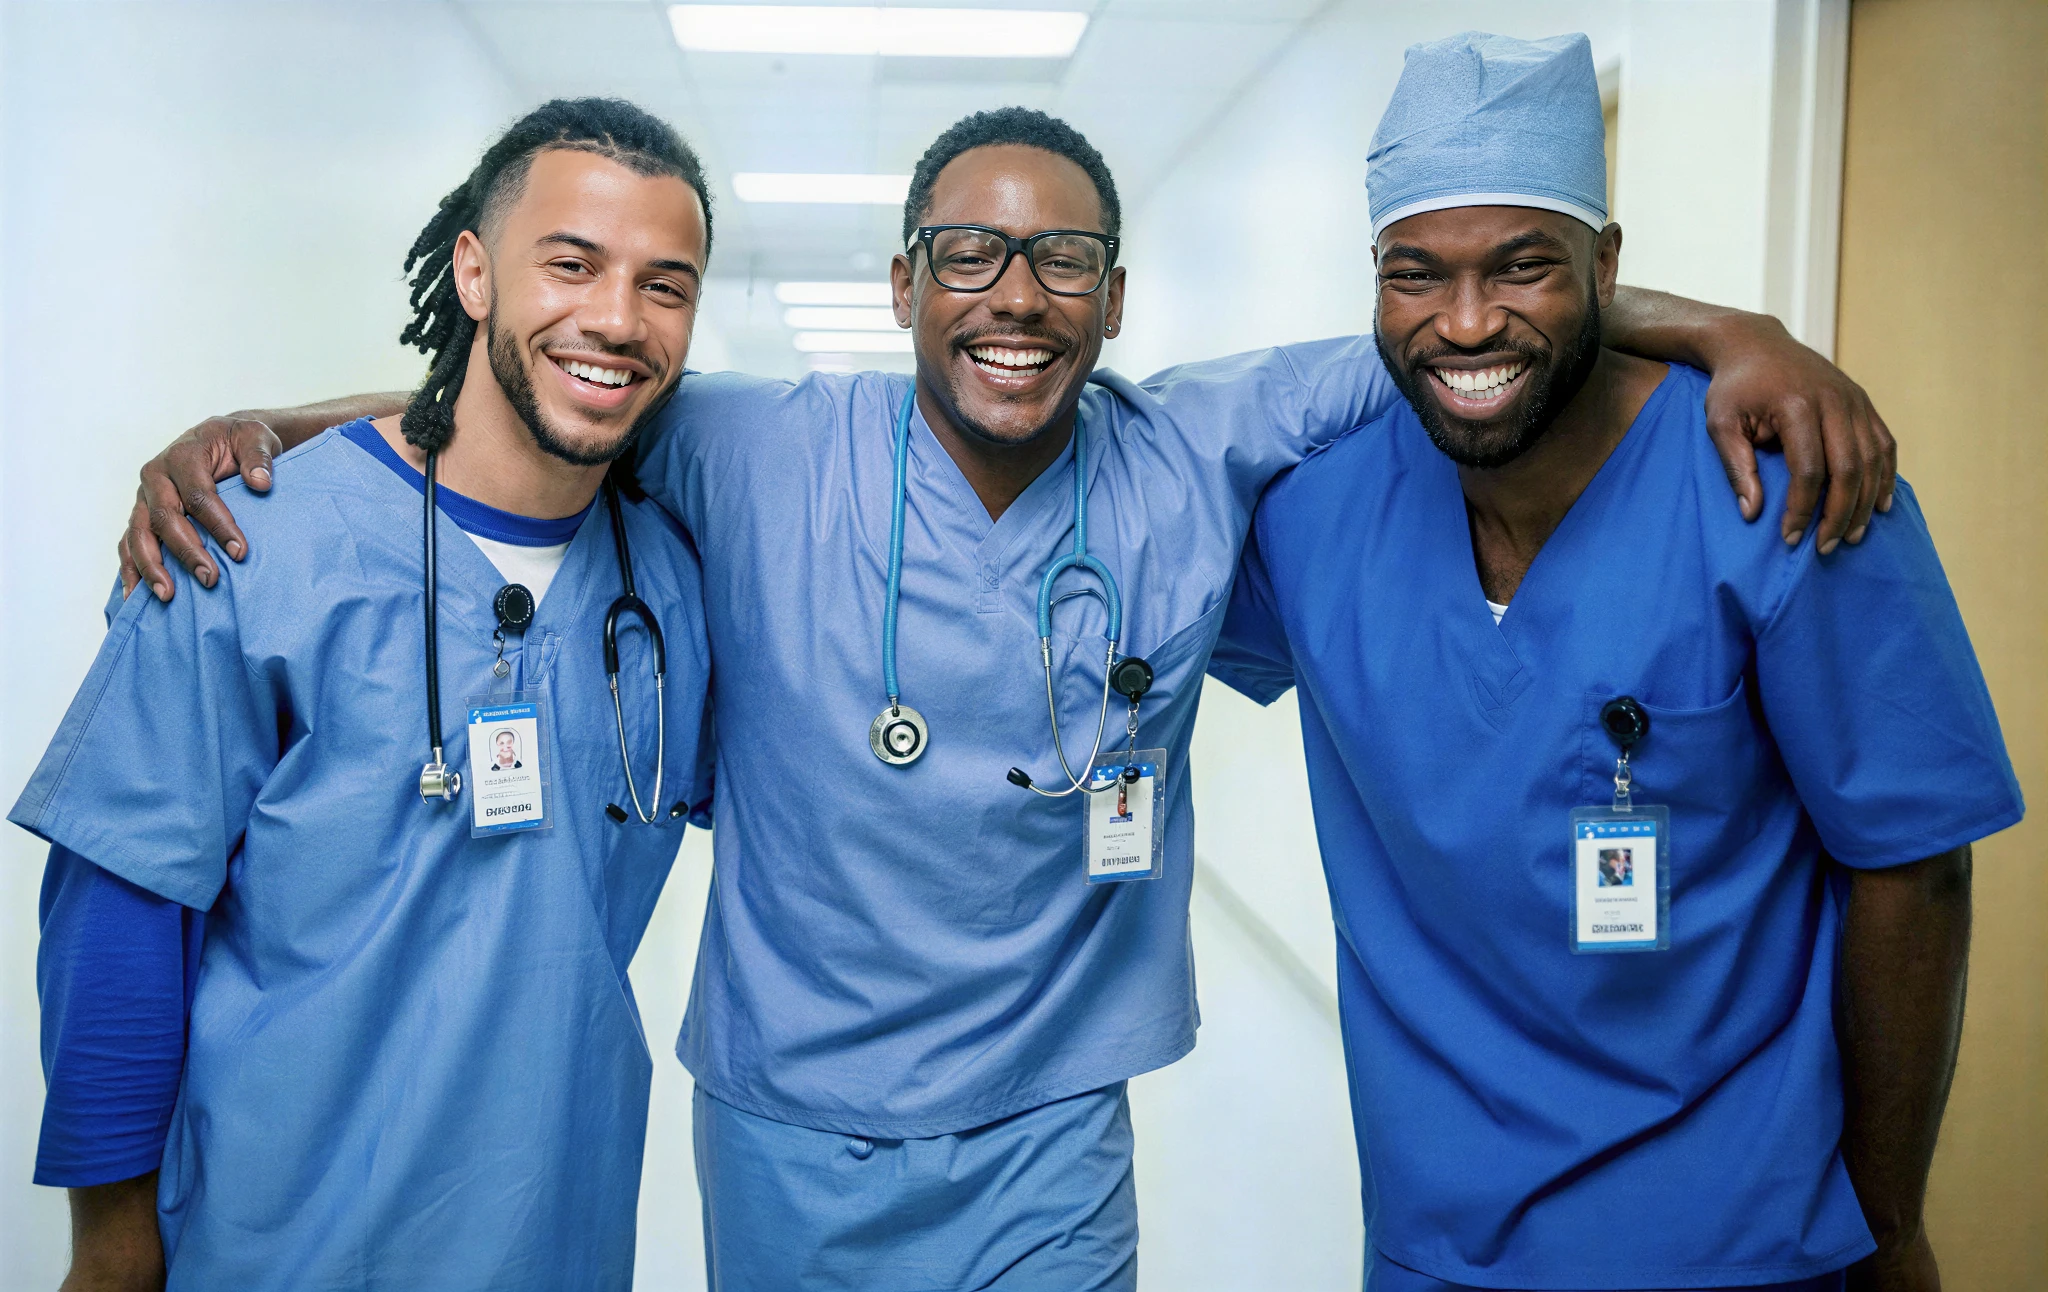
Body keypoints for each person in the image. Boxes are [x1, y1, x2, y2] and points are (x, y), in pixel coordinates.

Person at [114, 104, 1897, 1288]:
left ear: (1116, 297)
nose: (1013, 294)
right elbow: (534, 400)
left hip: (1052, 1131)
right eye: (967, 251)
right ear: (901, 286)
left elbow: (1461, 319)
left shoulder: (1199, 440)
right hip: (790, 1121)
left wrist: (1726, 327)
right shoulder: (755, 447)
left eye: (1059, 258)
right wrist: (279, 427)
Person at [1207, 32, 2023, 1292]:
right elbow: (1106, 451)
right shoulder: (1312, 515)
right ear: (1371, 283)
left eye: (1524, 266)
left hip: (1744, 1237)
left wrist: (1889, 1217)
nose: (1465, 317)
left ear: (1605, 262)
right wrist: (1718, 321)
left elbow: (1912, 873)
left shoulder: (1781, 482)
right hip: (1436, 1239)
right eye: (1414, 273)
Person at [14, 99, 716, 1290]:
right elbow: (122, 910)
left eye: (665, 283)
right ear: (474, 272)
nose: (615, 314)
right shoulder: (247, 540)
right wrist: (111, 1248)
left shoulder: (675, 584)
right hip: (273, 1234)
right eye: (572, 262)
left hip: (553, 1227)